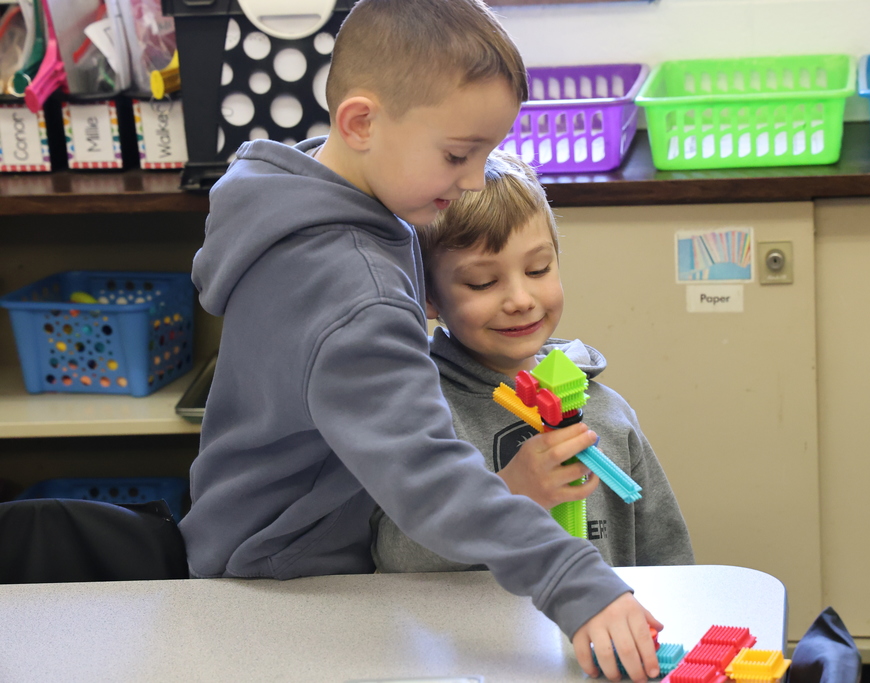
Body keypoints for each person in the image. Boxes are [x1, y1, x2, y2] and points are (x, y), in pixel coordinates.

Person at [178, 0, 662, 680]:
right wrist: (576, 582)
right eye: (459, 155)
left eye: (486, 153)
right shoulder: (355, 289)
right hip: (287, 573)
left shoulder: (298, 191)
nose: (473, 182)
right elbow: (430, 477)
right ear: (362, 121)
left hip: (257, 544)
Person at [371, 149, 694, 575]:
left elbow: (669, 561)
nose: (521, 301)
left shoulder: (608, 415)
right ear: (429, 296)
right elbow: (394, 557)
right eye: (482, 282)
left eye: (539, 269)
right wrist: (508, 492)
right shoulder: (421, 417)